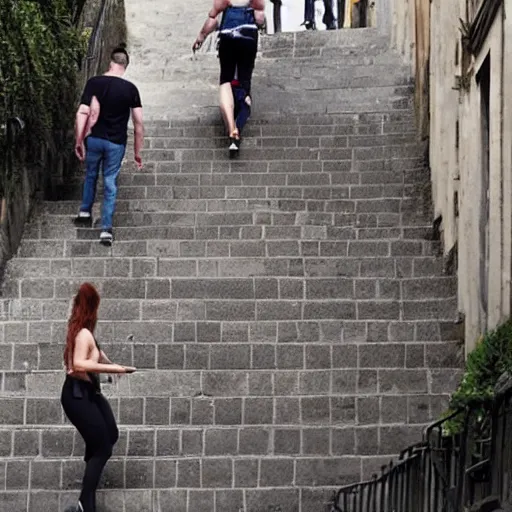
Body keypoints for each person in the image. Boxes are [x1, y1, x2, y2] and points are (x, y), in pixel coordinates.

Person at [61, 283, 136, 512]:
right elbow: (79, 363)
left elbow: (99, 357)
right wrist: (118, 370)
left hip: (89, 393)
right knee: (103, 448)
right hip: (76, 395)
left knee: (110, 433)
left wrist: (114, 365)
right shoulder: (83, 334)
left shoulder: (86, 332)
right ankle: (86, 502)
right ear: (92, 307)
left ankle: (87, 488)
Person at [73, 45, 144, 246]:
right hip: (116, 143)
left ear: (110, 62)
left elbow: (83, 112)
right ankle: (106, 230)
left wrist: (79, 140)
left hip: (94, 139)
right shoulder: (130, 89)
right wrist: (137, 153)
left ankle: (85, 211)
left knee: (91, 174)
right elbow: (139, 124)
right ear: (125, 66)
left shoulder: (94, 83)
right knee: (110, 181)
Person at [193, 0, 265, 156]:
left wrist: (201, 36)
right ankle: (243, 99)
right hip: (248, 35)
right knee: (245, 78)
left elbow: (212, 19)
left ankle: (231, 127)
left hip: (228, 35)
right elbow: (259, 18)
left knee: (226, 79)